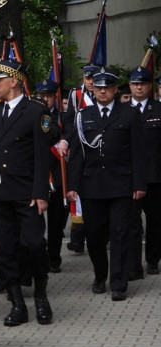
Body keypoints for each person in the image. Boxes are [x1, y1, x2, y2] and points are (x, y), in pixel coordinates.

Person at [66, 69, 148, 301]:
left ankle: (119, 283)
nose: (102, 91)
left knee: (120, 233)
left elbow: (139, 153)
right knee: (94, 235)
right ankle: (100, 275)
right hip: (91, 186)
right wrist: (72, 185)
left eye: (107, 88)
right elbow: (77, 155)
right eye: (98, 88)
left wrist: (139, 183)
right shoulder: (84, 115)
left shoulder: (130, 115)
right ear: (94, 90)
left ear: (114, 90)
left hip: (121, 184)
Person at [0, 59, 54, 327]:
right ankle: (16, 303)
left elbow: (41, 156)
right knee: (4, 250)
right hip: (0, 192)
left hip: (27, 191)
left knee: (34, 244)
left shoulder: (36, 111)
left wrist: (41, 193)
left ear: (13, 81)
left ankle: (41, 296)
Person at [56, 64, 99, 254]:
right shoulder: (75, 95)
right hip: (79, 149)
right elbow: (70, 123)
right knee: (76, 194)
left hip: (98, 150)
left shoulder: (103, 94)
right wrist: (66, 140)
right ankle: (77, 238)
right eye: (87, 78)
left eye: (93, 78)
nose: (90, 82)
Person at [127, 66, 161, 278]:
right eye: (135, 83)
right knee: (131, 224)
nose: (139, 87)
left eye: (143, 83)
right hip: (128, 177)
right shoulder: (120, 110)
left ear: (150, 87)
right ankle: (133, 266)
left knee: (156, 222)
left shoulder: (159, 109)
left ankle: (153, 260)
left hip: (155, 176)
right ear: (130, 86)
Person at [33, 80, 69, 273]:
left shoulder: (64, 116)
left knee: (56, 222)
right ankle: (39, 256)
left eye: (48, 95)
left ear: (55, 97)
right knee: (36, 221)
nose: (44, 99)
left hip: (57, 175)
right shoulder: (32, 114)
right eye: (41, 95)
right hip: (38, 175)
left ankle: (54, 258)